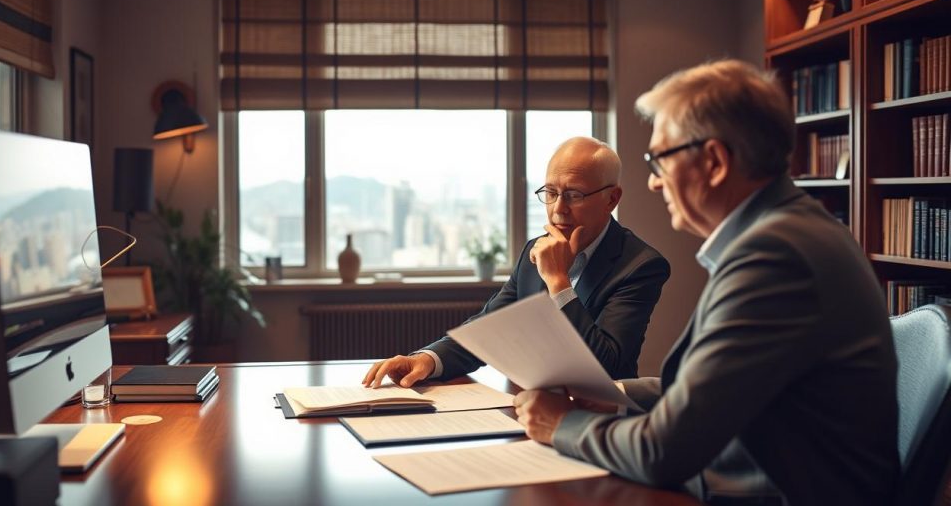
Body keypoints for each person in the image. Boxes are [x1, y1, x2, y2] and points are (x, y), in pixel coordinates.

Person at [513, 60, 899, 506]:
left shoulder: (775, 258)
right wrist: (613, 393)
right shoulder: (786, 232)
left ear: (714, 161)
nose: (655, 183)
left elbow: (663, 451)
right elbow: (710, 390)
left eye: (660, 160)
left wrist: (558, 425)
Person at [363, 137, 670, 388]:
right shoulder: (533, 251)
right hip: (528, 406)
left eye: (574, 195)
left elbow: (608, 366)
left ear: (612, 199)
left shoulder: (640, 266)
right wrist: (427, 359)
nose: (558, 210)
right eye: (550, 193)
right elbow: (489, 330)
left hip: (601, 420)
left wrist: (558, 282)